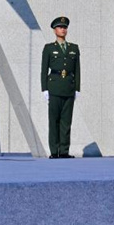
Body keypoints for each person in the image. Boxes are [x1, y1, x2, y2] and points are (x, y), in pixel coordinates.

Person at [41, 16, 80, 158]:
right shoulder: (49, 48)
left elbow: (77, 69)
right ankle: (54, 151)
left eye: (64, 27)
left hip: (68, 87)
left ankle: (64, 151)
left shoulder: (73, 48)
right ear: (54, 30)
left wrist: (77, 88)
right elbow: (44, 69)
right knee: (54, 121)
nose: (63, 30)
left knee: (66, 121)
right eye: (60, 27)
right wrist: (44, 89)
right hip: (55, 87)